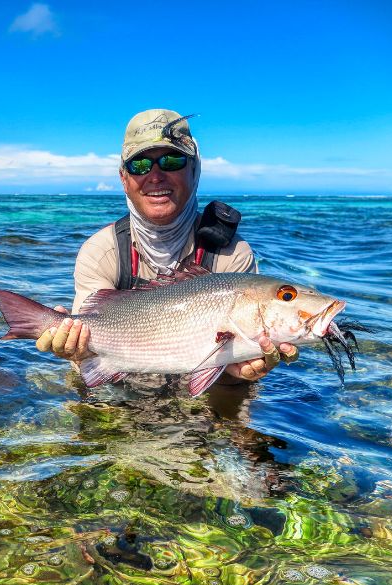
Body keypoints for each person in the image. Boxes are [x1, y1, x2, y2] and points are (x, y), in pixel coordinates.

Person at [36, 109, 298, 386]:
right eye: (139, 165)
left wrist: (235, 375)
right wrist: (72, 344)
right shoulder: (100, 252)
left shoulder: (233, 254)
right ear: (124, 179)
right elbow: (89, 355)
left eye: (172, 160)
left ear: (194, 171)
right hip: (123, 385)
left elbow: (233, 363)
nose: (156, 176)